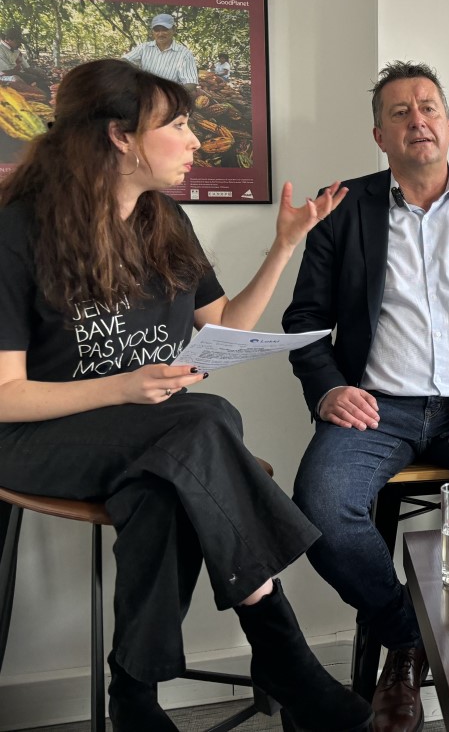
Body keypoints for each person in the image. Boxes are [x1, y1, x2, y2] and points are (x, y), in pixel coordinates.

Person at [0, 59, 370, 731]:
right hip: (33, 439)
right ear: (119, 136)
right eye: (176, 124)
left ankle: (134, 696)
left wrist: (283, 247)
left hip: (153, 439)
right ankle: (282, 650)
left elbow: (226, 327)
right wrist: (123, 385)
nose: (196, 139)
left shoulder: (162, 218)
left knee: (168, 480)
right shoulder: (19, 231)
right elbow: (5, 397)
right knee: (209, 418)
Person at [283, 60, 449, 732]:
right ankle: (406, 638)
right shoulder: (342, 205)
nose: (417, 120)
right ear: (380, 135)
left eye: (428, 107)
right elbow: (304, 322)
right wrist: (329, 391)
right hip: (377, 406)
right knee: (318, 506)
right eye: (400, 112)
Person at [123, 13, 199, 92]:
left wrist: (171, 95)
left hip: (169, 98)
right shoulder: (144, 48)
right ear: (152, 32)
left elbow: (191, 83)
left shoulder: (184, 54)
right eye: (157, 30)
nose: (160, 34)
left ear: (174, 30)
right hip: (144, 95)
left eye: (165, 29)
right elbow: (124, 60)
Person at [0, 27, 52, 98]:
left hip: (16, 73)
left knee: (37, 78)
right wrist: (27, 76)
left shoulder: (16, 51)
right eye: (17, 42)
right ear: (8, 39)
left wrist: (37, 72)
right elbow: (6, 71)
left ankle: (47, 95)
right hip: (3, 76)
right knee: (16, 79)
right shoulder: (1, 50)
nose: (19, 45)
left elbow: (26, 67)